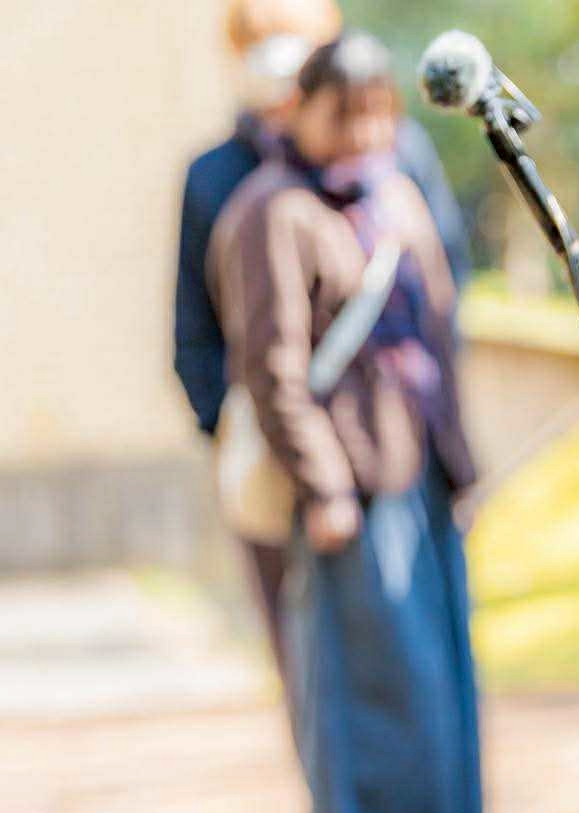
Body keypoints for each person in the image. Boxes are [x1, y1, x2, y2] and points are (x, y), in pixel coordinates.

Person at [210, 32, 490, 813]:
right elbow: (273, 367)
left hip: (419, 474)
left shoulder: (398, 194)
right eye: (346, 114)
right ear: (304, 109)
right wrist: (323, 484)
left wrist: (462, 464)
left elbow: (439, 335)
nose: (363, 133)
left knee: (440, 693)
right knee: (364, 699)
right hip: (348, 489)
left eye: (378, 114)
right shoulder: (273, 210)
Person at [174, 0, 467, 671]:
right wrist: (250, 434)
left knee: (423, 656)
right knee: (317, 663)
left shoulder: (396, 154)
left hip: (403, 450)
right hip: (290, 457)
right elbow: (200, 331)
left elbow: (442, 298)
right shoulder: (222, 176)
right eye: (259, 41)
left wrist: (448, 446)